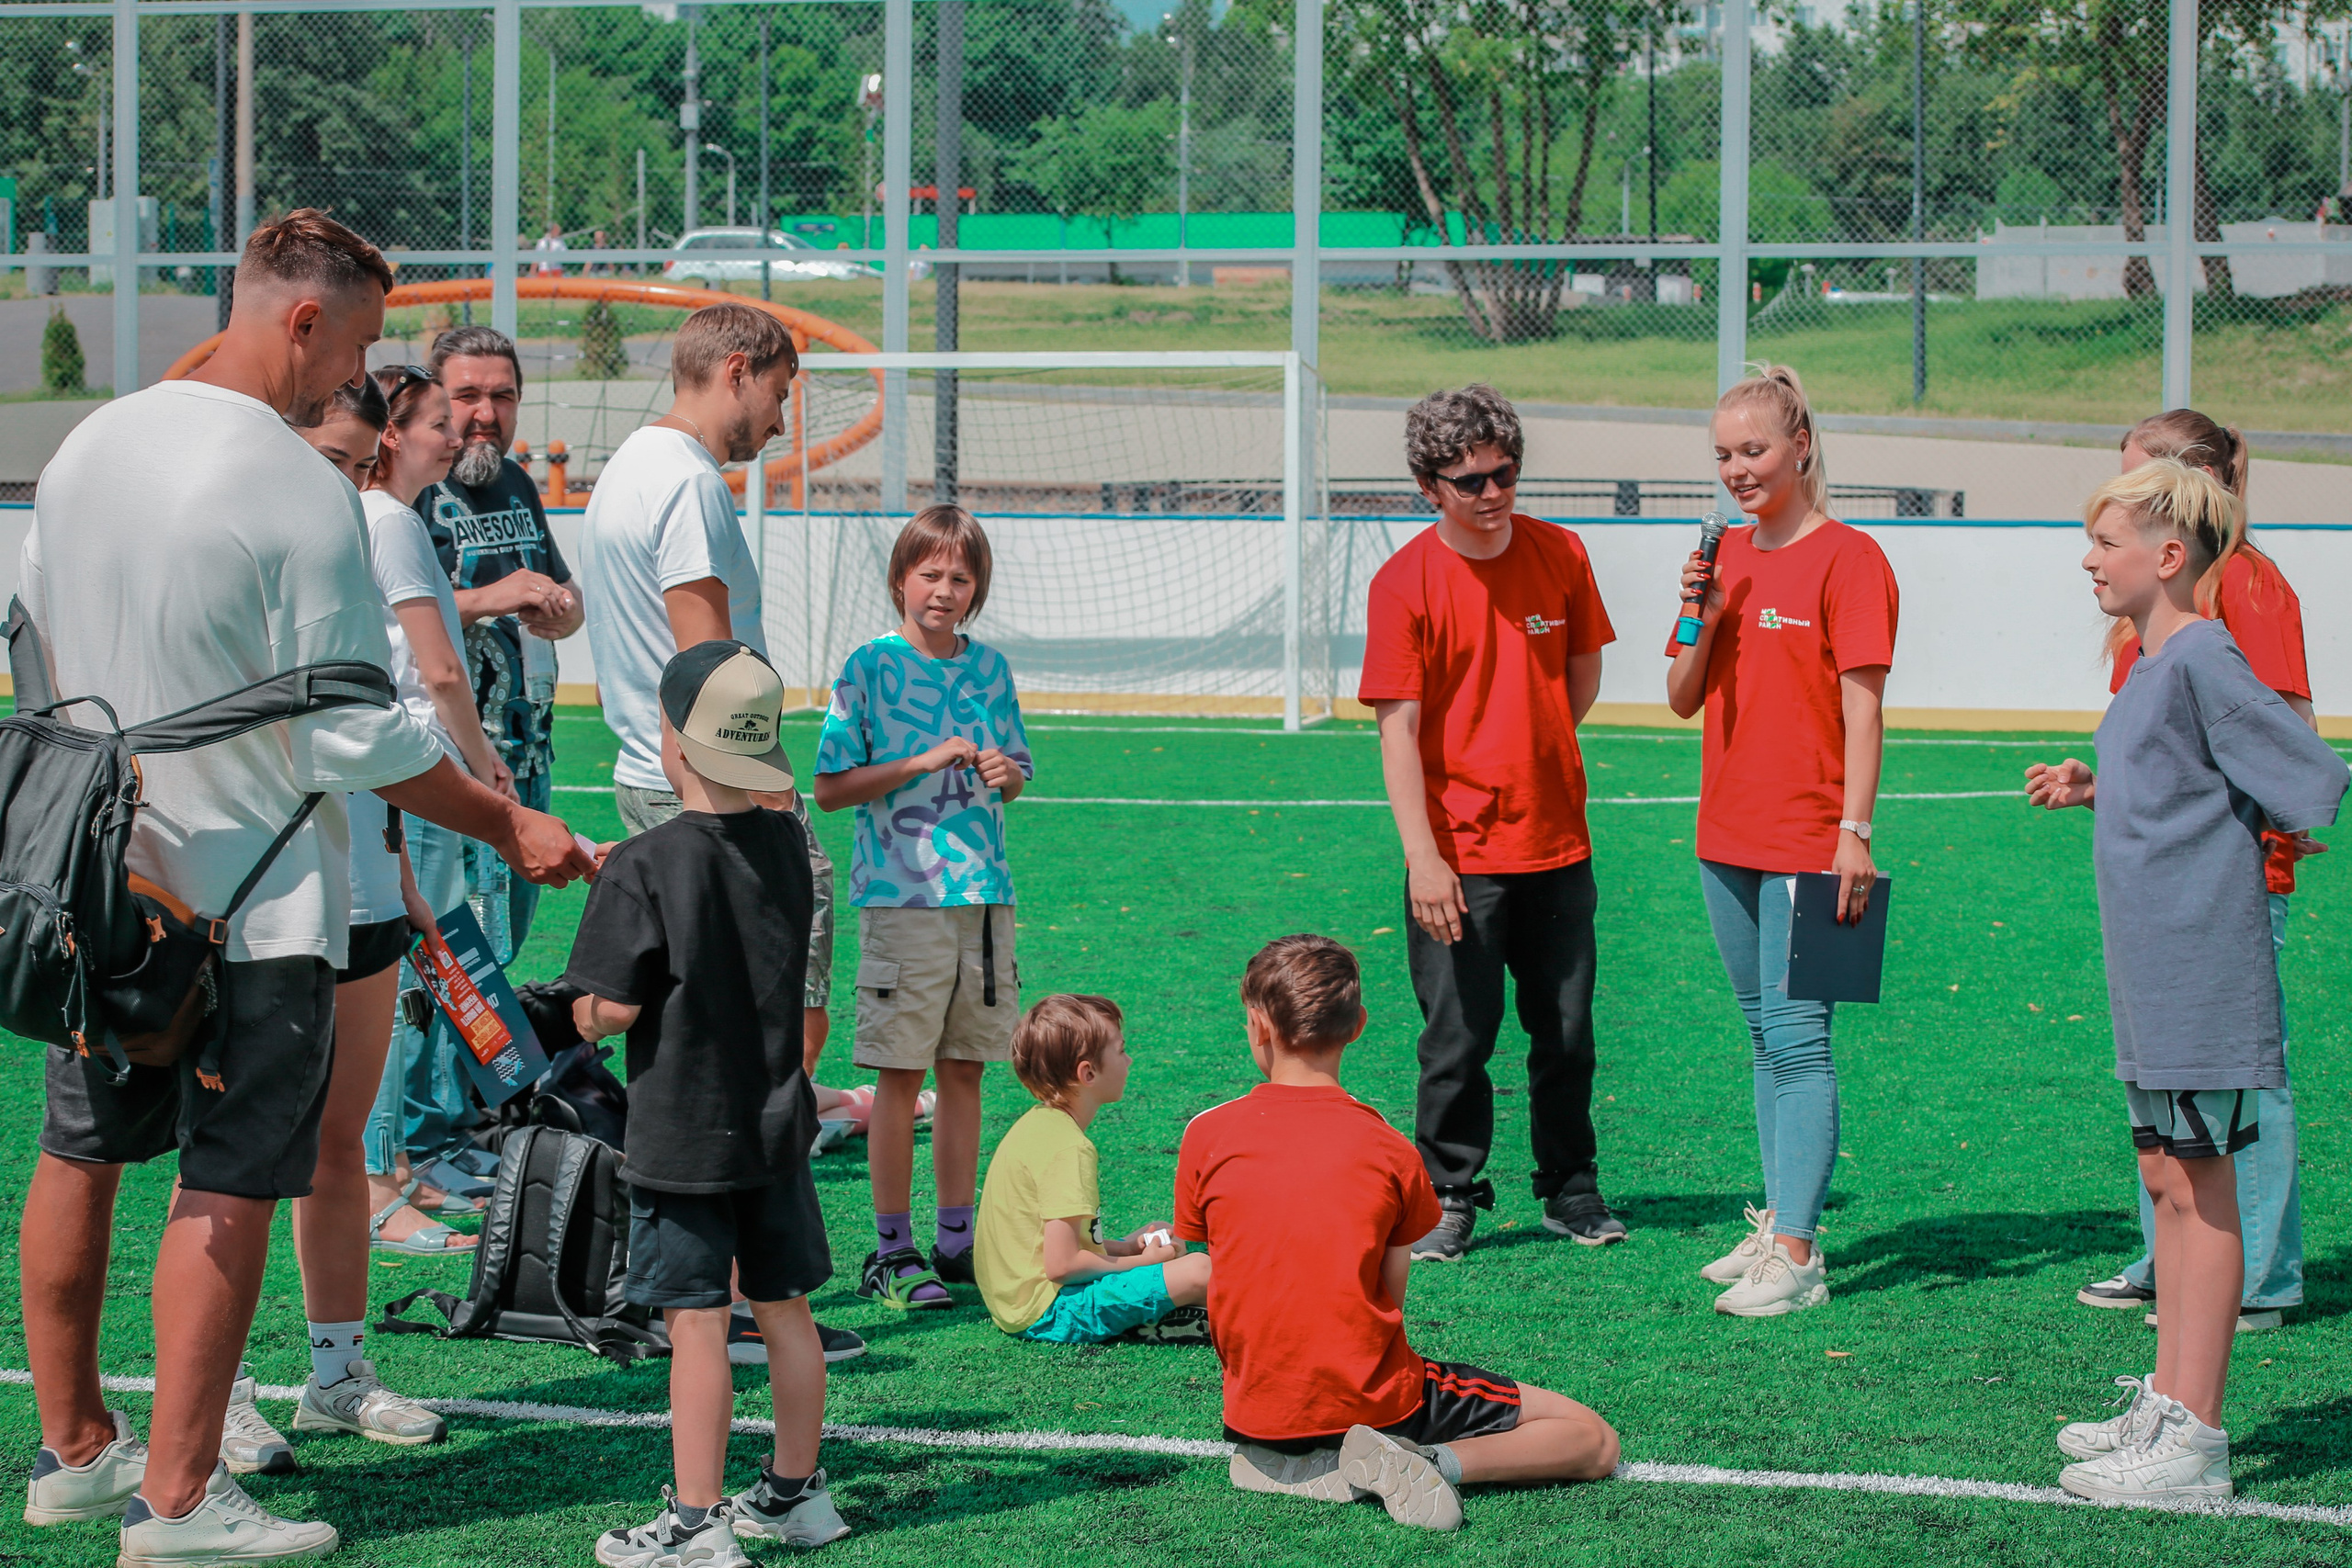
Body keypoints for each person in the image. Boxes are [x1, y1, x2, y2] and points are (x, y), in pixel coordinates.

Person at [18, 209, 594, 1564]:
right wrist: (507, 822)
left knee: (81, 1149)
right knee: (227, 1179)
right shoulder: (294, 486)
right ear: (301, 320)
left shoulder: (89, 442)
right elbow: (359, 737)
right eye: (358, 340)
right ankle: (177, 1499)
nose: (355, 373)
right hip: (253, 894)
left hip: (93, 874)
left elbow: (37, 656)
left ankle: (75, 1454)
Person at [2026, 460, 2346, 1505]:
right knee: (2167, 1181)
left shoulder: (2203, 651)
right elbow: (2179, 776)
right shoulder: (2155, 660)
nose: (2088, 559)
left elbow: (2305, 776)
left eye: (2105, 543)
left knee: (2201, 1195)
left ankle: (2195, 1441)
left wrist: (2226, 841)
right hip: (2152, 970)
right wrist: (2099, 784)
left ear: (2167, 558)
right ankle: (2167, 1401)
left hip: (2201, 968)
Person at [577, 300, 865, 1368]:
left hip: (661, 786)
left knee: (699, 1041)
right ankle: (744, 1291)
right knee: (761, 1040)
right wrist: (776, 812)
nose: (782, 421)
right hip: (708, 795)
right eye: (780, 392)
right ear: (736, 370)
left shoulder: (627, 468)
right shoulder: (690, 482)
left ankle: (709, 1290)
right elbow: (709, 675)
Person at [1176, 935, 1619, 1531]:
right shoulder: (1389, 1149)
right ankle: (1427, 1459)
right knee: (1591, 1438)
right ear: (1357, 1024)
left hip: (1254, 1406)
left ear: (1256, 1024)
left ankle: (1288, 1457)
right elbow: (1387, 1298)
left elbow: (1219, 1273)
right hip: (1375, 1401)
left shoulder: (1205, 1134)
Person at [566, 640, 851, 1562]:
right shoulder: (788, 846)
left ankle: (694, 1523)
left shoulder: (643, 863)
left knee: (695, 1322)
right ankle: (795, 1494)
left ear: (671, 740)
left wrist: (571, 1004)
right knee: (784, 1309)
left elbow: (608, 1010)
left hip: (685, 1127)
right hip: (776, 1120)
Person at [1359, 384, 1624, 1262]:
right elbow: (1397, 735)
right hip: (1458, 858)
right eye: (1467, 480)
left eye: (1503, 472)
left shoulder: (1562, 552)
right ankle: (1450, 1195)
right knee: (1456, 1041)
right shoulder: (1403, 583)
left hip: (1558, 843)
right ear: (1428, 485)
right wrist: (1425, 859)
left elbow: (1579, 677)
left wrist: (1533, 748)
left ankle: (1572, 1190)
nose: (1491, 493)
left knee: (1568, 1033)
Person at [2074, 412, 2320, 1334]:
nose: (2096, 550)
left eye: (2129, 490)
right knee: (2179, 1116)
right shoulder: (2154, 625)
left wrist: (2277, 834)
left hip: (2221, 890)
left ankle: (2255, 1274)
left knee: (2241, 1086)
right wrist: (2096, 786)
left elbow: (2282, 730)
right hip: (2163, 899)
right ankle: (2171, 1260)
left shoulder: (2241, 587)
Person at [1663, 364, 1897, 1318]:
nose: (1736, 470)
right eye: (1722, 454)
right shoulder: (1724, 561)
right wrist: (1701, 610)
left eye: (1752, 450)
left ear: (1800, 446)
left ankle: (1798, 1256)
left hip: (1814, 840)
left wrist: (1855, 833)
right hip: (1726, 834)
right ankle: (1777, 1225)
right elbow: (1679, 698)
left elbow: (1866, 709)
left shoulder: (1852, 559)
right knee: (1764, 1039)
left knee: (1801, 1042)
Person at [813, 505, 1033, 1311]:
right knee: (900, 1076)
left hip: (984, 898)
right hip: (901, 899)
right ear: (902, 576)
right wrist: (921, 760)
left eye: (960, 578)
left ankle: (955, 1238)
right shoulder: (868, 667)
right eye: (930, 573)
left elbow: (1019, 770)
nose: (943, 590)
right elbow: (831, 789)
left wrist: (1007, 773)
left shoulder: (992, 669)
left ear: (977, 588)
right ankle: (891, 1249)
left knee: (966, 1071)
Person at [358, 363, 523, 1253]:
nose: (455, 435)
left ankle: (403, 1165)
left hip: (403, 771)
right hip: (413, 772)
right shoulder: (393, 524)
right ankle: (381, 1182)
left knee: (419, 975)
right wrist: (480, 757)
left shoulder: (389, 520)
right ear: (392, 434)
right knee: (398, 980)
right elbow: (440, 668)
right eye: (434, 423)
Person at [417, 323, 586, 965]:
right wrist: (494, 597)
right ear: (437, 399)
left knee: (500, 953)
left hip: (531, 755)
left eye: (504, 396)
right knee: (451, 965)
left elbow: (561, 590)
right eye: (467, 396)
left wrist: (563, 613)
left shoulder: (517, 481)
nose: (486, 414)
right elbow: (397, 622)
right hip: (458, 767)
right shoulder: (417, 493)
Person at [975, 994, 1212, 1344]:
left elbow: (1052, 1249)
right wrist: (1143, 1263)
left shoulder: (1038, 1125)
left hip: (1018, 1302)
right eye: (1120, 1051)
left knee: (1164, 1235)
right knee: (1200, 1270)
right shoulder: (1069, 1149)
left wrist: (1127, 1247)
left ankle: (1167, 1309)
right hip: (1050, 1311)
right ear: (1088, 1073)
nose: (1129, 1061)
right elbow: (1063, 1266)